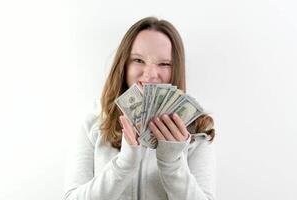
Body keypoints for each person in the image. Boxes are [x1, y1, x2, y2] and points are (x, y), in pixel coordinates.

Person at [63, 16, 216, 200]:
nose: (150, 74)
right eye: (138, 60)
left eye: (164, 64)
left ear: (176, 68)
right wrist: (124, 164)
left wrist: (172, 164)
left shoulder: (197, 129)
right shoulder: (94, 122)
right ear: (124, 64)